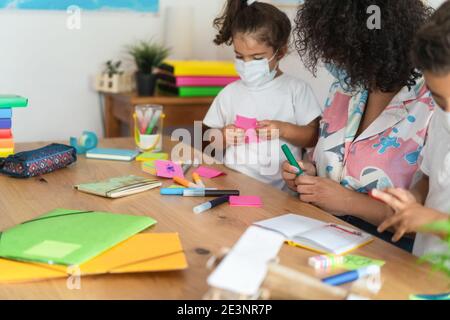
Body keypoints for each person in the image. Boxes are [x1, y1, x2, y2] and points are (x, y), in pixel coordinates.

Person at [282, 0, 433, 251]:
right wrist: (307, 175)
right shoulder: (345, 87)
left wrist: (348, 202)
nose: (335, 63)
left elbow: (424, 219)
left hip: (390, 253)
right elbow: (325, 160)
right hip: (318, 232)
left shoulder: (432, 103)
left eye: (344, 55)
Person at [203, 0, 322, 190]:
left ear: (280, 52)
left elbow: (313, 137)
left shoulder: (296, 90)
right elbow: (208, 138)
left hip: (280, 194)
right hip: (234, 185)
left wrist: (283, 129)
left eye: (257, 58)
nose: (247, 64)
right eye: (240, 57)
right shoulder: (230, 92)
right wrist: (223, 136)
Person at [372, 0, 450, 256]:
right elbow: (432, 178)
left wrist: (431, 220)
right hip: (425, 268)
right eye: (438, 98)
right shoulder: (441, 116)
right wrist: (411, 200)